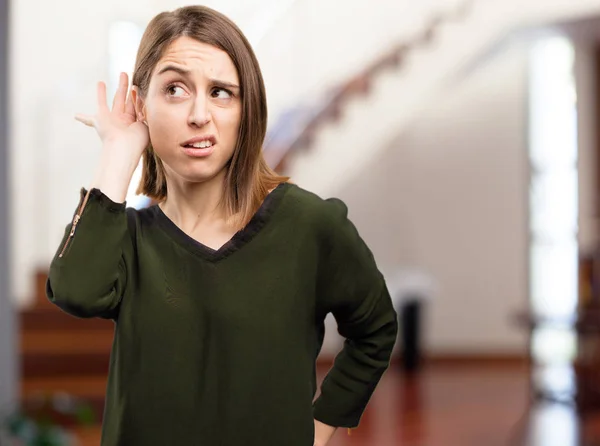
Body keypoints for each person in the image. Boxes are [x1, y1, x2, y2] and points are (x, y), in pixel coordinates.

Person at [46, 5, 398, 446]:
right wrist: (119, 151)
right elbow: (75, 290)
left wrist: (320, 426)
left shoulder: (310, 225)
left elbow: (376, 328)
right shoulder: (128, 238)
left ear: (246, 109)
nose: (199, 115)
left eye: (221, 92)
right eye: (174, 89)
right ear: (141, 104)